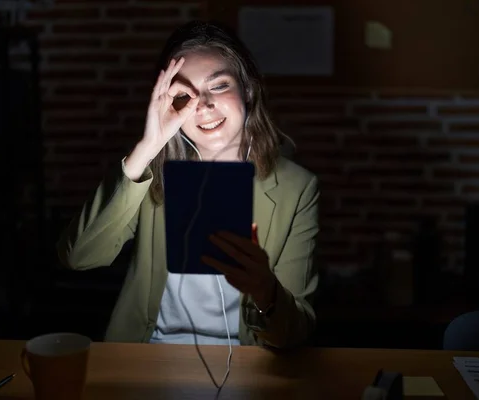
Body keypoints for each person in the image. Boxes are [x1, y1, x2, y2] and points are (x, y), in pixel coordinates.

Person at [57, 20, 320, 349]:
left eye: (219, 85)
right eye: (184, 94)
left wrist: (266, 290)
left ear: (248, 89)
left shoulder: (297, 187)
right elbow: (78, 257)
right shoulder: (153, 173)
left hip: (243, 365)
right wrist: (146, 148)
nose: (204, 104)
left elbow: (296, 333)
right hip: (149, 356)